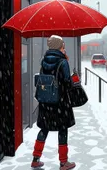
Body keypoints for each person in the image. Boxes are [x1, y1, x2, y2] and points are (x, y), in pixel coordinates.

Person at [31, 35, 76, 170]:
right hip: (60, 102)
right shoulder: (63, 62)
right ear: (59, 46)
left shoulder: (43, 60)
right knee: (62, 130)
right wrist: (73, 79)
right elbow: (67, 83)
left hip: (46, 101)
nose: (64, 47)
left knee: (44, 129)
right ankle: (63, 162)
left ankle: (35, 158)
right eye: (63, 45)